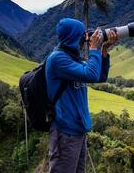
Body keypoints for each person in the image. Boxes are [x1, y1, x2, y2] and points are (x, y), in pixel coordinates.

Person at [45, 18, 118, 173]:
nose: (85, 38)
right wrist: (93, 49)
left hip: (78, 131)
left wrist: (103, 51)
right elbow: (91, 74)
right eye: (82, 35)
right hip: (65, 132)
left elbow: (99, 76)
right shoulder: (58, 59)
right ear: (73, 37)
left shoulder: (73, 59)